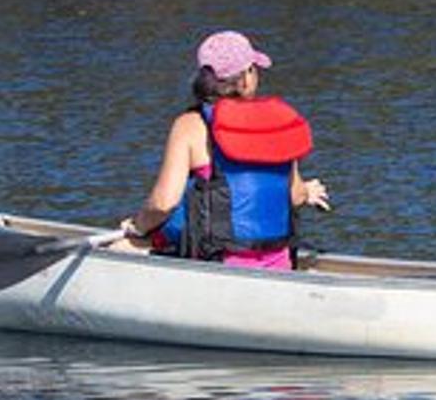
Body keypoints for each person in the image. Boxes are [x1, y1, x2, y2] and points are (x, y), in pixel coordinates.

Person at [118, 30, 329, 270]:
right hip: (279, 265)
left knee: (128, 245)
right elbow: (296, 196)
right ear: (247, 77)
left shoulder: (191, 125)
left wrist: (137, 228)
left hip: (219, 264)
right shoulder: (278, 123)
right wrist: (307, 190)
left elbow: (163, 204)